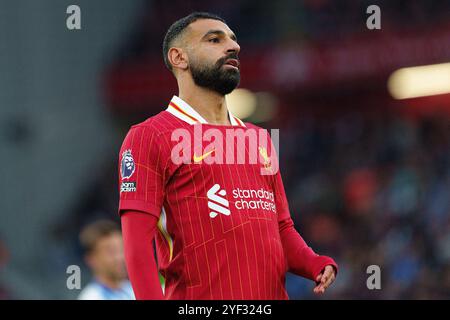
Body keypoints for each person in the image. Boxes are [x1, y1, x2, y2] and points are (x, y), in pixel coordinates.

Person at [119, 12, 337, 300]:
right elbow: (137, 247)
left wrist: (314, 263)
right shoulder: (150, 136)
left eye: (233, 40)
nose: (233, 47)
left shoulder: (259, 138)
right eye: (214, 40)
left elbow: (281, 227)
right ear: (178, 58)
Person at [77, 220, 135, 300]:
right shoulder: (91, 297)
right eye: (111, 252)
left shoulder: (132, 289)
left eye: (121, 249)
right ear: (91, 259)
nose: (120, 257)